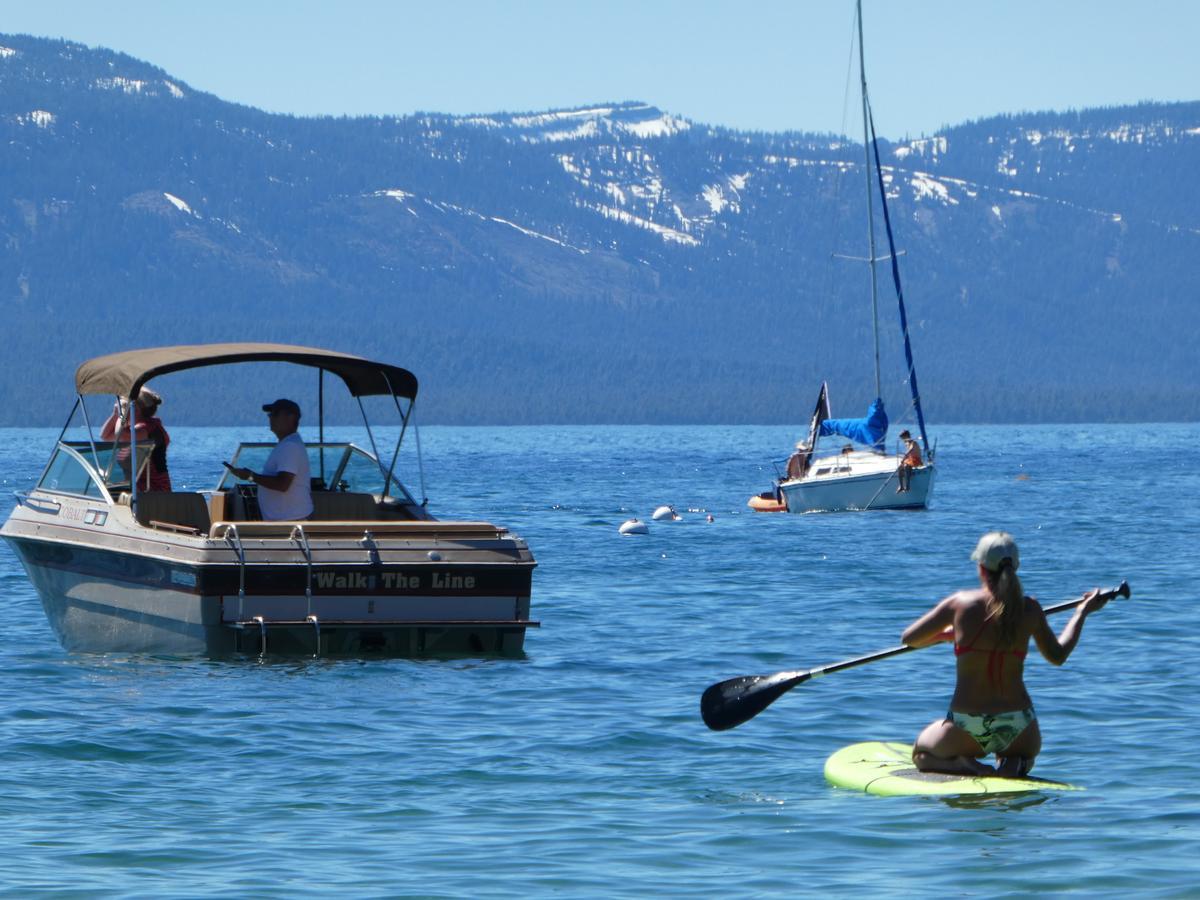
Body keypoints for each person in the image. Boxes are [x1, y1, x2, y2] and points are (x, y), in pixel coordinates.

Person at [900, 531, 1111, 778]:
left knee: (921, 755)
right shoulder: (1030, 608)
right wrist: (1081, 613)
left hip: (968, 726)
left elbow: (910, 638)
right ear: (1016, 567)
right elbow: (1058, 655)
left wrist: (947, 635)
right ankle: (1015, 764)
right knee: (1026, 756)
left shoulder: (960, 605)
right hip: (1021, 727)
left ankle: (963, 765)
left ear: (981, 568)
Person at [227, 398, 313, 521]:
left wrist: (251, 476)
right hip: (288, 520)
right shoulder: (288, 444)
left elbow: (283, 484)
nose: (270, 418)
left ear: (290, 418)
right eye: (270, 414)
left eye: (275, 414)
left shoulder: (290, 446)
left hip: (292, 522)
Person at [100, 387, 172, 491]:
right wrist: (115, 414)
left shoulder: (148, 429)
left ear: (135, 409)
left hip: (154, 489)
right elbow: (105, 436)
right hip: (137, 487)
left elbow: (120, 434)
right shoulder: (136, 429)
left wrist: (122, 415)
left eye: (126, 406)